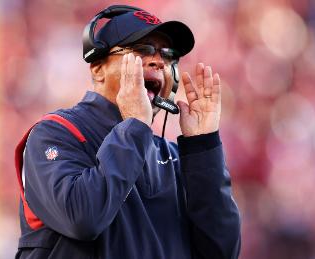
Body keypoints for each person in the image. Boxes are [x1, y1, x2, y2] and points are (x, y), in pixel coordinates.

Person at [14, 5, 241, 259]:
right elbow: (83, 218)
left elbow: (222, 251)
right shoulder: (56, 134)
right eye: (142, 49)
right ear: (97, 68)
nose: (158, 60)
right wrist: (134, 126)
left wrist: (203, 147)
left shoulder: (176, 158)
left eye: (168, 55)